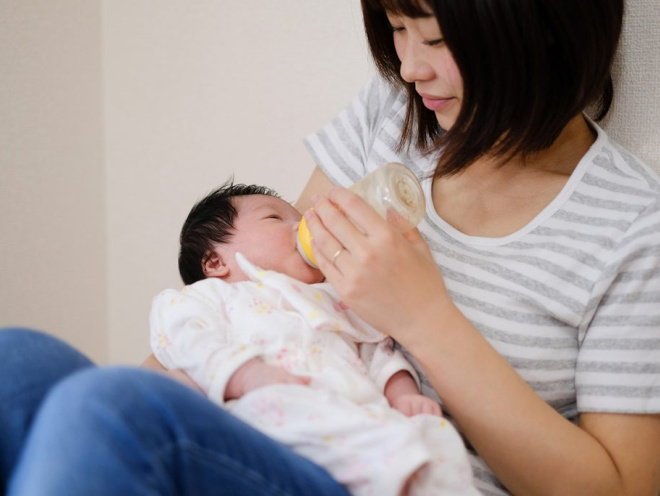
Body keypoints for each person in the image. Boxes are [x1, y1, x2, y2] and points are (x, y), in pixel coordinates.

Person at [1, 0, 659, 495]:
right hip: (283, 432)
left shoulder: (632, 226)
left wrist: (424, 318)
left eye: (434, 36)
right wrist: (169, 381)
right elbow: (264, 295)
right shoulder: (398, 114)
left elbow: (618, 487)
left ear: (545, 25)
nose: (409, 65)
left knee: (104, 410)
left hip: (394, 475)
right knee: (20, 365)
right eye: (397, 30)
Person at [150, 181, 477, 496]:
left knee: (433, 432)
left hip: (359, 414)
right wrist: (245, 375)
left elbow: (379, 350)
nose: (304, 224)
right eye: (276, 218)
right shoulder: (209, 298)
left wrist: (402, 393)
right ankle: (390, 474)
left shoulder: (335, 300)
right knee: (257, 404)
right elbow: (183, 339)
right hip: (271, 412)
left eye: (300, 217)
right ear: (215, 262)